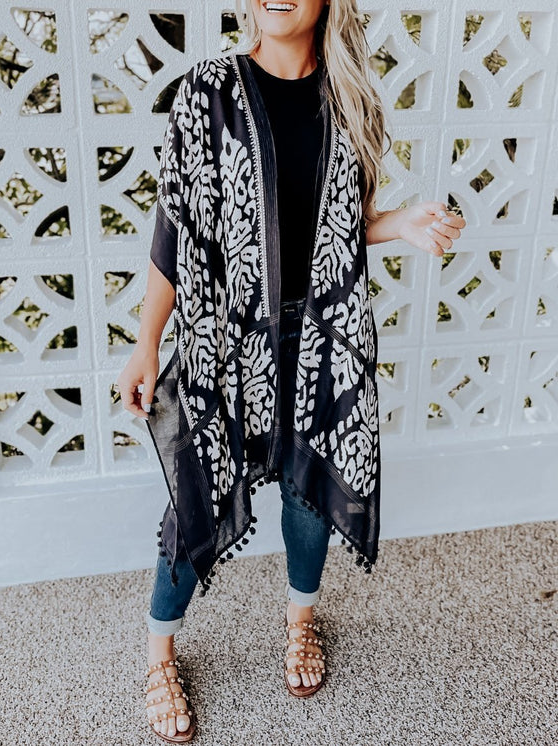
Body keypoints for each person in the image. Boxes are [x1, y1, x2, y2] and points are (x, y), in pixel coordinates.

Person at [116, 0, 466, 741]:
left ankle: (300, 621)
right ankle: (158, 654)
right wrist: (147, 341)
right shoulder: (209, 90)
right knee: (197, 497)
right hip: (227, 337)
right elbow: (176, 229)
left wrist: (400, 223)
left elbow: (338, 225)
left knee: (311, 492)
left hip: (321, 335)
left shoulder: (350, 98)